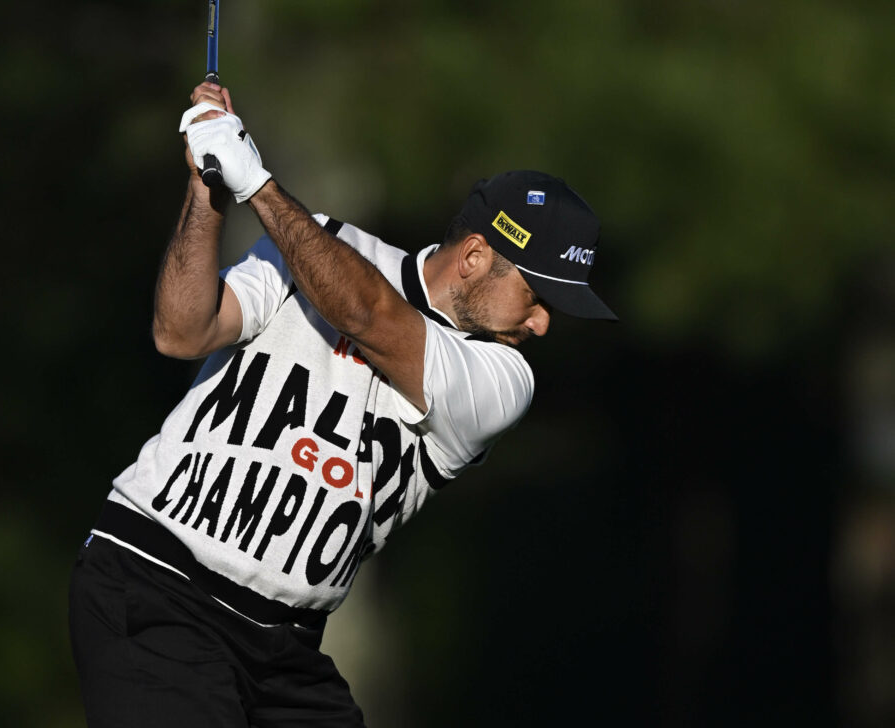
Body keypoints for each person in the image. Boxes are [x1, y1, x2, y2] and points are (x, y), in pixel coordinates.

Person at [68, 82, 618, 728]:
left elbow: (370, 315)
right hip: (156, 581)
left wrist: (260, 186)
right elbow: (182, 331)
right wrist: (209, 190)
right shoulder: (316, 240)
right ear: (474, 257)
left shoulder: (503, 382)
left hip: (284, 649)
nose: (544, 323)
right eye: (538, 295)